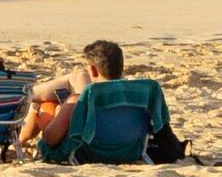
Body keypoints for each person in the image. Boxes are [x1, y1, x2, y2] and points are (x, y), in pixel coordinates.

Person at [31, 39, 182, 164]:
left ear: (93, 70)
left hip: (87, 154)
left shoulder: (87, 96)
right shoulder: (144, 92)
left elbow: (51, 138)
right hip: (129, 152)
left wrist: (46, 122)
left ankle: (18, 142)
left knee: (48, 107)